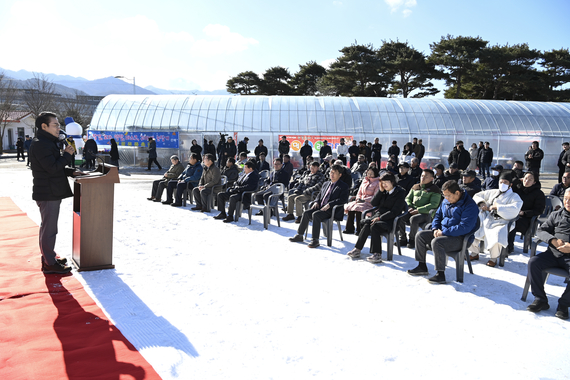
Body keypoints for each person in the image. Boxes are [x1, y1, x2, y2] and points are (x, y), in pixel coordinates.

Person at [29, 111, 79, 274]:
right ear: (44, 126)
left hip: (49, 190)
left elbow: (52, 167)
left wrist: (71, 172)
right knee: (49, 229)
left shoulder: (46, 142)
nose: (59, 128)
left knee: (48, 228)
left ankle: (48, 257)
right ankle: (49, 263)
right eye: (55, 124)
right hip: (48, 191)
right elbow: (52, 168)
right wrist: (67, 155)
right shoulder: (41, 144)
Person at [407, 180, 479, 284]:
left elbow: (465, 227)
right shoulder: (446, 201)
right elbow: (438, 215)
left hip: (461, 238)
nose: (446, 198)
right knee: (420, 235)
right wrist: (435, 228)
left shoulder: (470, 205)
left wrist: (443, 232)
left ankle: (440, 275)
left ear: (457, 193)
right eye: (444, 196)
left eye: (448, 196)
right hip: (444, 233)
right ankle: (421, 266)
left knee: (437, 242)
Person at [526, 188, 570, 320]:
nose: (568, 202)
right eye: (566, 199)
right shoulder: (556, 214)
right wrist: (553, 240)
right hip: (553, 253)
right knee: (534, 262)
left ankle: (564, 305)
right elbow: (541, 230)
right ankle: (540, 299)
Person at [346, 172, 407, 262]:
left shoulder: (400, 192)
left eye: (386, 183)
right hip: (379, 216)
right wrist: (380, 191)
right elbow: (374, 203)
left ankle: (377, 254)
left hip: (391, 220)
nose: (384, 185)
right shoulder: (384, 191)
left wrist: (379, 218)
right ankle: (357, 249)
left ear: (392, 182)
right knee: (367, 224)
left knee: (375, 225)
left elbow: (395, 211)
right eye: (382, 183)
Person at [469, 172, 523, 267]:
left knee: (498, 234)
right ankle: (474, 253)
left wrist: (497, 207)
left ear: (510, 184)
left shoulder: (514, 196)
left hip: (502, 221)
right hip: (487, 217)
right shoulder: (493, 192)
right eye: (501, 182)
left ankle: (493, 258)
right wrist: (482, 203)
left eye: (505, 182)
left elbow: (515, 208)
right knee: (473, 227)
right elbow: (477, 195)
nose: (502, 184)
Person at [289, 164, 349, 249]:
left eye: (334, 173)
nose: (331, 174)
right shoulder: (326, 183)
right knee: (306, 213)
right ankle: (300, 235)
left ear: (340, 175)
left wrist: (330, 204)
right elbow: (319, 194)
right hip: (321, 207)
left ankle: (315, 240)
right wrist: (316, 201)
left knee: (315, 215)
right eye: (331, 172)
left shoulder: (343, 186)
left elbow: (343, 199)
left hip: (331, 210)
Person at [398, 169, 442, 248]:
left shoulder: (435, 189)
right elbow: (408, 198)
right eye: (422, 176)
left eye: (426, 176)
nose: (423, 178)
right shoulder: (415, 186)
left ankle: (412, 239)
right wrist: (409, 206)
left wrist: (419, 210)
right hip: (412, 210)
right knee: (400, 215)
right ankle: (402, 238)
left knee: (414, 219)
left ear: (432, 179)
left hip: (426, 214)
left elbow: (434, 204)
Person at [508, 171, 545, 252]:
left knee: (512, 223)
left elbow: (539, 210)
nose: (527, 181)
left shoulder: (538, 193)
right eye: (525, 178)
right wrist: (517, 180)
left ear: (534, 182)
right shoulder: (517, 188)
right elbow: (509, 184)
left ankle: (509, 247)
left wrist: (524, 213)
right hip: (512, 213)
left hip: (525, 218)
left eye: (530, 179)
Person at [344, 167, 380, 235]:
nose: (369, 175)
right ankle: (349, 228)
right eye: (368, 173)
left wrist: (364, 200)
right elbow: (359, 192)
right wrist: (358, 198)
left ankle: (360, 229)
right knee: (351, 208)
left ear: (375, 174)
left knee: (359, 209)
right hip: (361, 201)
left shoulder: (378, 182)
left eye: (371, 174)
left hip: (370, 203)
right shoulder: (365, 180)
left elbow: (376, 196)